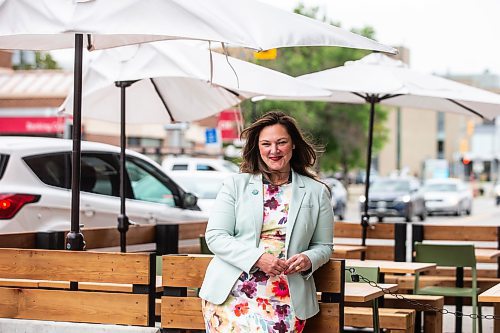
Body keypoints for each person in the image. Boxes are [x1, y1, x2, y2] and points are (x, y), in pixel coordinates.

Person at [199, 111, 334, 332]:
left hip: (287, 295)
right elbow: (216, 236)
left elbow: (324, 246)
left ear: (293, 146)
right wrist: (258, 258)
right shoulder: (235, 185)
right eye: (266, 144)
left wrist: (308, 258)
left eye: (281, 142)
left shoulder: (316, 192)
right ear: (258, 148)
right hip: (231, 293)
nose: (274, 150)